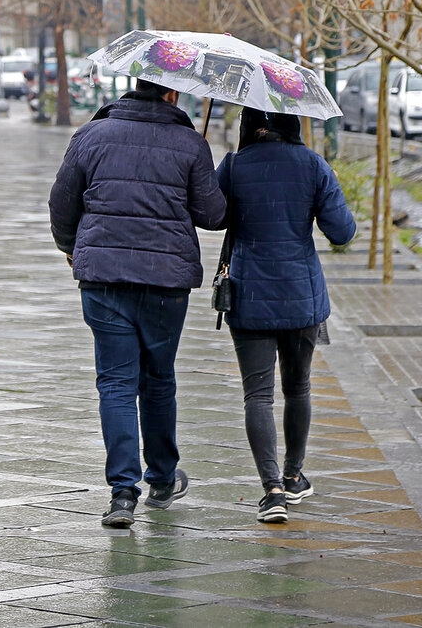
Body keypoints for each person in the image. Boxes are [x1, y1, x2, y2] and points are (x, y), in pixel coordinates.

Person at [49, 79, 227, 528]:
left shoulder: (90, 135)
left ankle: (122, 492)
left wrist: (72, 246)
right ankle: (163, 478)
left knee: (114, 383)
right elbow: (212, 216)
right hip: (166, 284)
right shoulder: (190, 143)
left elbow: (61, 201)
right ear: (173, 95)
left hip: (103, 278)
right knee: (159, 379)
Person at [217, 107, 356, 524]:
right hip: (301, 296)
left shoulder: (235, 165)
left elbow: (211, 217)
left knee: (257, 394)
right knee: (298, 388)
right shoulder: (313, 164)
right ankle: (294, 475)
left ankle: (272, 489)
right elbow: (342, 232)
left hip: (249, 295)